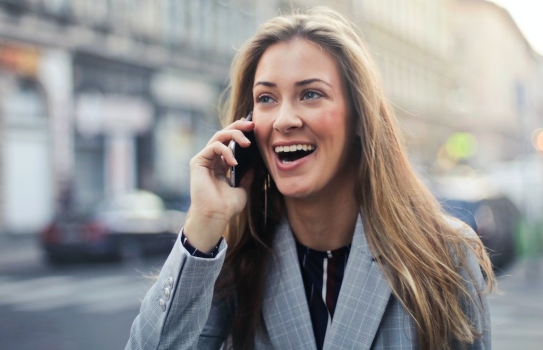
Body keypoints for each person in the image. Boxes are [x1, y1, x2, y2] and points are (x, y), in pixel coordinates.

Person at [126, 7, 495, 350]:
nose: (284, 119)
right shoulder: (233, 262)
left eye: (311, 94)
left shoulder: (442, 255)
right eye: (267, 98)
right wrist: (203, 223)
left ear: (359, 118)